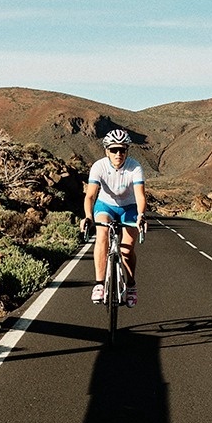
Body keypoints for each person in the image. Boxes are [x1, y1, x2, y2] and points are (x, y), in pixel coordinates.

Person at [81, 129, 146, 307]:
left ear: (127, 150)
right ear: (106, 151)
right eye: (114, 149)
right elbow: (90, 196)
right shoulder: (98, 166)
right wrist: (88, 216)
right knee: (102, 235)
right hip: (106, 205)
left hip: (129, 207)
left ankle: (131, 285)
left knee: (126, 250)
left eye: (122, 150)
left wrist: (141, 216)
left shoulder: (135, 167)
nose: (118, 154)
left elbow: (140, 196)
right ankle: (99, 284)